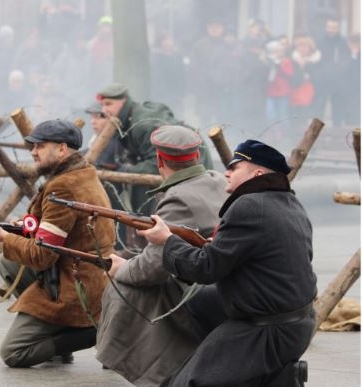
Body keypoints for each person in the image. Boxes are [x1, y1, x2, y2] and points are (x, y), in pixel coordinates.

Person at [139, 139, 316, 386]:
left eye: (235, 167)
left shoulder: (249, 206)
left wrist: (166, 240)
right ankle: (236, 364)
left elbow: (205, 268)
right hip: (300, 321)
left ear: (257, 173)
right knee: (200, 301)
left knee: (187, 383)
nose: (226, 172)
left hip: (268, 330)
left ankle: (266, 374)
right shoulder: (289, 202)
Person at [96, 125, 228, 386]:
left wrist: (121, 268)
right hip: (220, 279)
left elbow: (154, 268)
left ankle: (159, 372)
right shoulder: (218, 180)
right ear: (197, 157)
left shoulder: (178, 198)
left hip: (201, 287)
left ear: (159, 160)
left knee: (124, 287)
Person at [0, 119, 116, 368]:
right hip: (89, 275)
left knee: (14, 353)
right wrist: (24, 227)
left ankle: (88, 334)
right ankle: (57, 335)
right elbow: (58, 230)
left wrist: (4, 237)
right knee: (7, 263)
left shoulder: (63, 187)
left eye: (40, 146)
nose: (33, 152)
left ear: (62, 149)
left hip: (76, 286)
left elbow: (43, 256)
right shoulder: (81, 173)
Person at [97, 83, 214, 217]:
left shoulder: (142, 124)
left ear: (123, 102)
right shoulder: (131, 117)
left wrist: (124, 170)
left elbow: (156, 163)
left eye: (108, 104)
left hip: (189, 155)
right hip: (187, 153)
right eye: (102, 105)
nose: (104, 109)